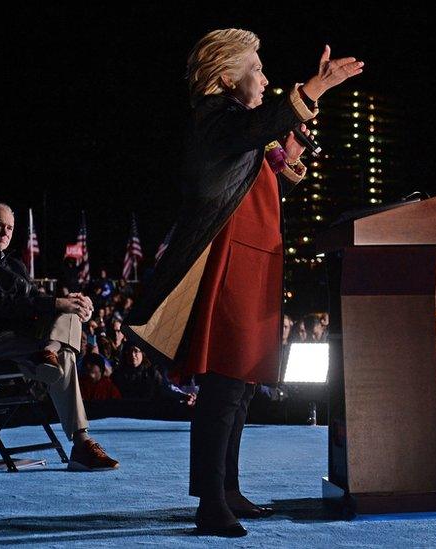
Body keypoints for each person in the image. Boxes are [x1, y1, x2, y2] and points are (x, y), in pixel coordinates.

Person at [123, 28, 362, 537]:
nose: (265, 77)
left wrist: (292, 139)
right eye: (256, 68)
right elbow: (261, 129)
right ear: (226, 76)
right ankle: (211, 503)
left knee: (243, 385)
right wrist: (312, 90)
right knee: (224, 385)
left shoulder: (242, 130)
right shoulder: (216, 122)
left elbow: (269, 172)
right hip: (231, 265)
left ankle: (227, 488)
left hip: (256, 263)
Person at [0, 201, 118, 471]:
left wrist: (71, 302)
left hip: (22, 340)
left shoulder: (15, 265)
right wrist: (54, 304)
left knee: (69, 316)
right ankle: (81, 442)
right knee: (63, 350)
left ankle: (47, 353)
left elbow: (36, 299)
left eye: (10, 227)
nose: (5, 232)